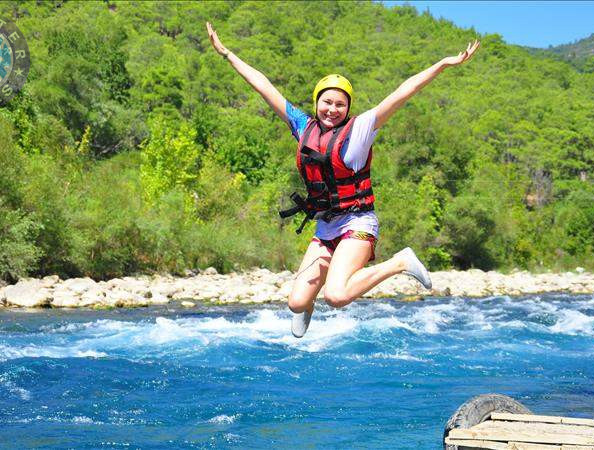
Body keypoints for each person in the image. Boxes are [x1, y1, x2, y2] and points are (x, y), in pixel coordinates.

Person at [206, 22, 480, 338]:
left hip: (357, 223)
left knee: (336, 296)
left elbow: (405, 91)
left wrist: (444, 64)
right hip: (325, 226)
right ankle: (305, 303)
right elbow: (264, 87)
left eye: (340, 104)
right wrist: (226, 53)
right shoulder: (302, 126)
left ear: (348, 108)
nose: (332, 109)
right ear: (316, 102)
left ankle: (400, 262)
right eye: (327, 102)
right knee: (295, 303)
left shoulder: (360, 130)